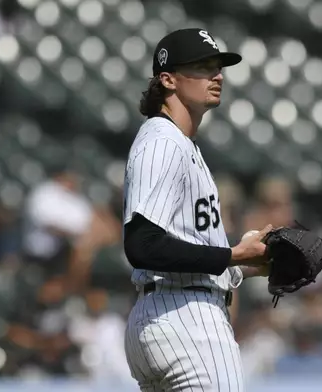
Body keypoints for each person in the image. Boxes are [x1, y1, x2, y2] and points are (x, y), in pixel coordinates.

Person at [122, 28, 273, 392]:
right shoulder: (163, 142)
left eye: (217, 67)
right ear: (167, 79)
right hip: (189, 323)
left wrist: (244, 265)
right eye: (203, 67)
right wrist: (234, 254)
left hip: (165, 314)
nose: (217, 75)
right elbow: (142, 245)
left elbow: (179, 246)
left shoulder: (179, 144)